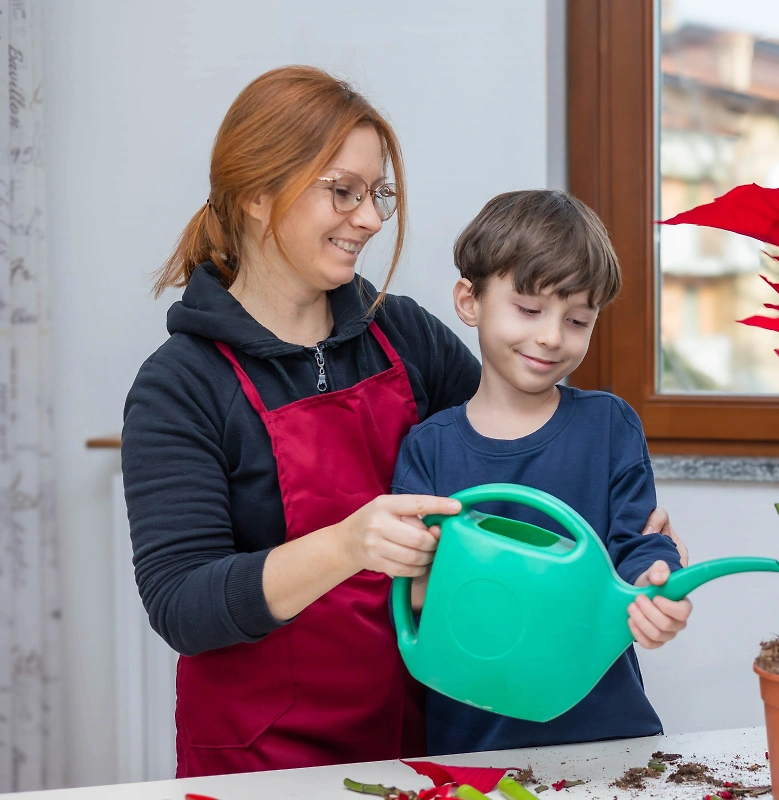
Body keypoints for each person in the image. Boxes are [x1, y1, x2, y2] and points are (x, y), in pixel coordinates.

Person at [121, 66, 687, 778]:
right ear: (259, 194)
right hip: (268, 755)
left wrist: (628, 543)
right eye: (344, 192)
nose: (372, 218)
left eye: (377, 193)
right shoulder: (181, 385)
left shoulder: (402, 336)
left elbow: (500, 457)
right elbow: (183, 604)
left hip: (421, 732)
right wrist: (347, 545)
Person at [391, 189, 692, 756]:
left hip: (609, 734)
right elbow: (411, 587)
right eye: (529, 310)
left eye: (577, 319)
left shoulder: (609, 426)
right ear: (469, 301)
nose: (553, 336)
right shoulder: (428, 448)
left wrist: (658, 586)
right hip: (472, 741)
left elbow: (639, 543)